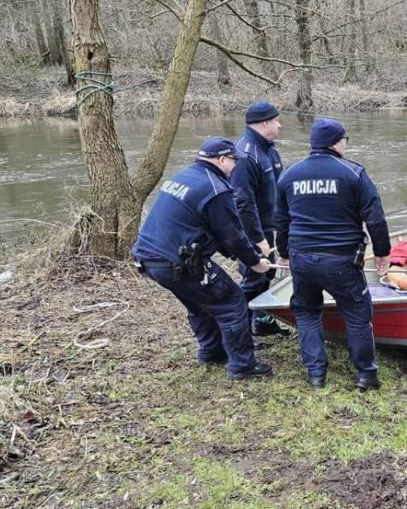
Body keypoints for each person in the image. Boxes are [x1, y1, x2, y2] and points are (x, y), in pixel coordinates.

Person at [132, 137, 273, 380]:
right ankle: (242, 366)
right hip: (177, 263)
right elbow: (233, 235)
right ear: (221, 160)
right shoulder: (215, 189)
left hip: (148, 257)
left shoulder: (182, 176)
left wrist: (239, 254)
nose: (235, 166)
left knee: (199, 303)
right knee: (231, 302)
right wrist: (255, 261)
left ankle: (212, 352)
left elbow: (209, 230)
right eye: (233, 161)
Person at [274, 119, 391, 390]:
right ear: (338, 142)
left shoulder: (290, 174)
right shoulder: (353, 173)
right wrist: (383, 252)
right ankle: (366, 375)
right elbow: (375, 218)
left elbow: (280, 220)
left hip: (302, 257)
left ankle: (316, 375)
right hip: (342, 260)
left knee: (306, 313)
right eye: (345, 140)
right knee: (357, 315)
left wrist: (284, 253)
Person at [231, 101, 285, 337]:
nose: (279, 125)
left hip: (269, 224)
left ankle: (262, 321)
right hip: (252, 229)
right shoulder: (244, 155)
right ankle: (240, 332)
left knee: (267, 274)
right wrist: (257, 237)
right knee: (254, 276)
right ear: (265, 123)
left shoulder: (269, 149)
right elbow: (242, 202)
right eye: (276, 121)